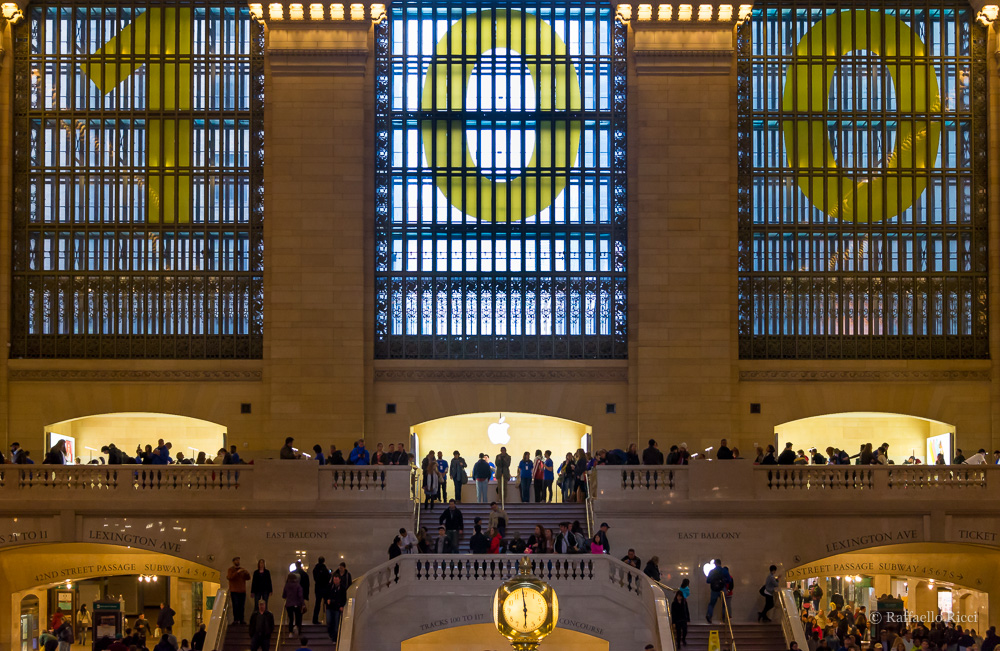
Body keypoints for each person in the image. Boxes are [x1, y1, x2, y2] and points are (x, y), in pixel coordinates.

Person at [227, 557, 252, 624]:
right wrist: (237, 572)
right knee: (235, 605)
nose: (238, 561)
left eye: (238, 560)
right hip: (234, 591)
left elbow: (248, 578)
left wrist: (246, 573)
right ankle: (236, 619)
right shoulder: (231, 570)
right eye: (236, 560)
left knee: (241, 606)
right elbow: (230, 577)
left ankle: (241, 619)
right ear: (233, 562)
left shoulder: (242, 570)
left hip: (242, 590)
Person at [325, 573, 347, 642]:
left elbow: (344, 598)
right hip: (330, 607)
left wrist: (342, 606)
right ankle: (330, 634)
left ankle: (334, 638)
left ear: (339, 580)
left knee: (336, 623)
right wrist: (327, 600)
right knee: (329, 621)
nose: (335, 582)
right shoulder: (330, 586)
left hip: (337, 608)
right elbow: (325, 595)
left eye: (337, 580)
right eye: (334, 580)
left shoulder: (342, 588)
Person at [312, 556, 331, 625]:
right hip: (324, 588)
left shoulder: (315, 569)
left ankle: (315, 619)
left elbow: (315, 578)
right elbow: (328, 578)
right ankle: (328, 619)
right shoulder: (324, 569)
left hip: (317, 588)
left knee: (317, 604)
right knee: (327, 604)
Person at [706, 559, 725, 623]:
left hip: (714, 589)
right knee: (724, 604)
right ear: (720, 563)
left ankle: (709, 616)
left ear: (715, 564)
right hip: (722, 589)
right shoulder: (723, 571)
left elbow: (708, 581)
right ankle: (724, 618)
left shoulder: (712, 571)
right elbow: (729, 580)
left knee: (712, 604)